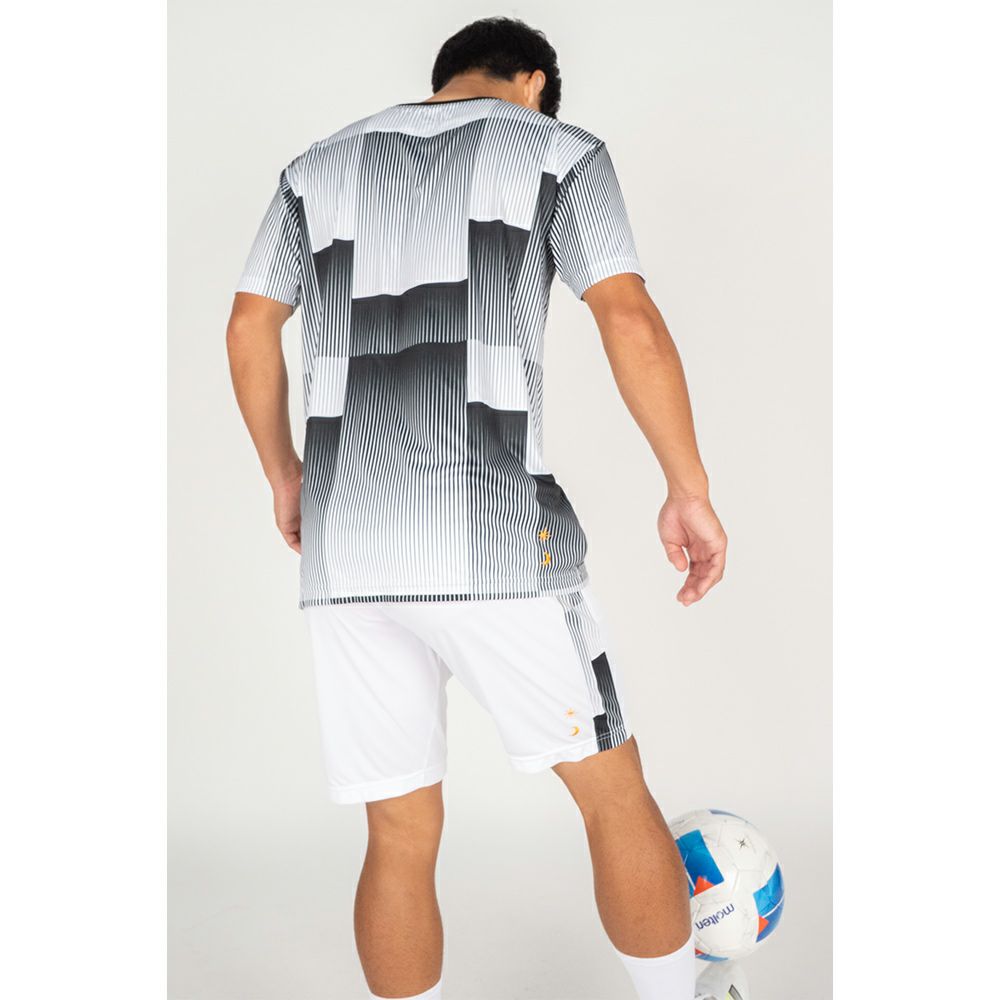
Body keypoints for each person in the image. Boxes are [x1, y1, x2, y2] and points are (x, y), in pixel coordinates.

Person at [226, 16, 727, 1000]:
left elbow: (249, 325)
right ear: (533, 80)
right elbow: (627, 316)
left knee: (398, 830)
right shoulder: (557, 149)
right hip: (498, 539)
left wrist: (285, 475)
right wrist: (688, 487)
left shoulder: (314, 168)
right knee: (613, 795)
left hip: (347, 547)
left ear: (446, 75)